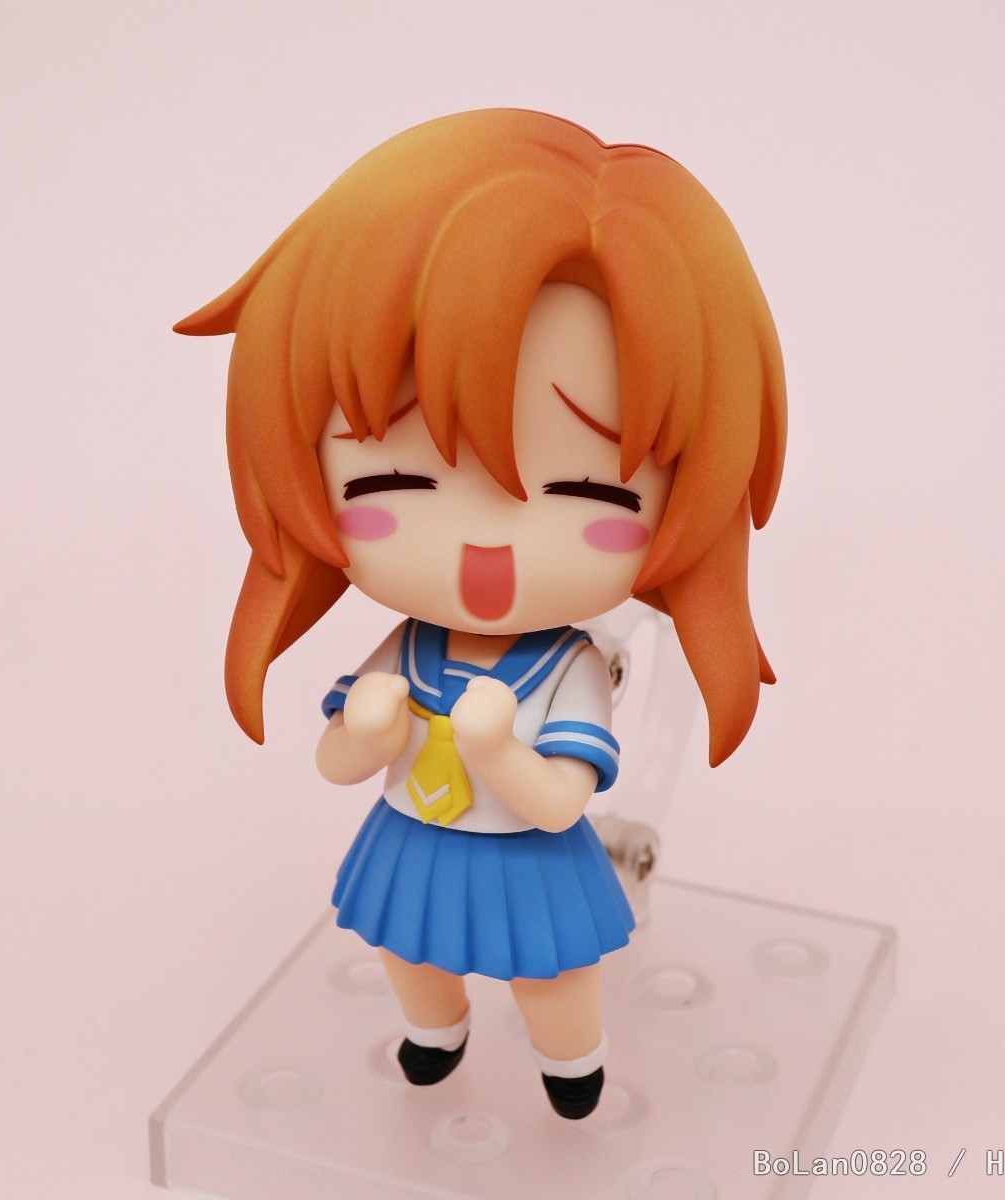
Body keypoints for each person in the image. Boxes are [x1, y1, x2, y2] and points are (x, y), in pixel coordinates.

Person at [176, 108, 786, 1119]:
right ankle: (436, 1030)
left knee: (551, 974)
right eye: (395, 480)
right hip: (414, 842)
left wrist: (501, 751)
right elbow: (335, 762)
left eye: (588, 494)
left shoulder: (566, 668)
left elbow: (561, 805)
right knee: (405, 950)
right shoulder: (407, 647)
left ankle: (571, 1063)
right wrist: (366, 730)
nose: (486, 548)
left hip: (528, 857)